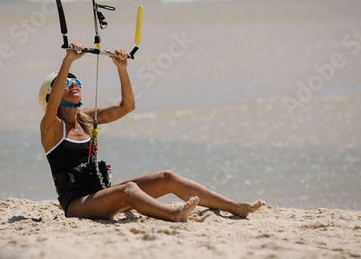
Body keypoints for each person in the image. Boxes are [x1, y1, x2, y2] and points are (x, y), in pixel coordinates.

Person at [39, 43, 265, 222]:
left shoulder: (85, 119)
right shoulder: (51, 127)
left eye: (75, 80)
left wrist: (122, 69)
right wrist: (68, 60)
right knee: (129, 189)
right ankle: (172, 214)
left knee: (168, 177)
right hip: (78, 204)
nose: (73, 84)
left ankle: (236, 207)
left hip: (101, 194)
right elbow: (52, 109)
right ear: (54, 95)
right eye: (66, 83)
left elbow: (126, 107)